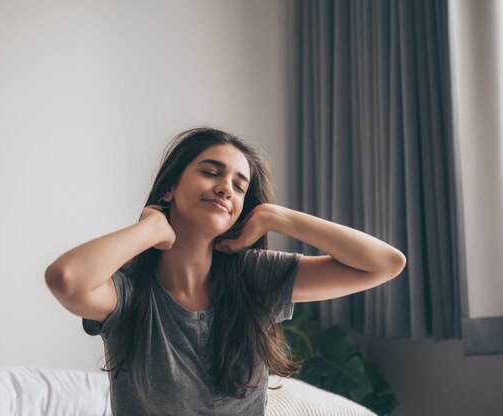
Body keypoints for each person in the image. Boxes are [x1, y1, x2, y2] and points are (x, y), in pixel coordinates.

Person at [45, 127, 406, 416]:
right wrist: (150, 229)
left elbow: (385, 264)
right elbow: (66, 279)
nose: (225, 189)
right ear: (170, 188)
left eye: (239, 186)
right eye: (210, 172)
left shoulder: (254, 278)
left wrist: (275, 217)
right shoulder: (130, 289)